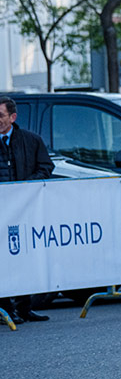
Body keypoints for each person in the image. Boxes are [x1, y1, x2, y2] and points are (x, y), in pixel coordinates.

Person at [0, 97, 54, 324]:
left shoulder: (31, 141)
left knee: (23, 257)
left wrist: (26, 187)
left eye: (0, 116)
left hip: (24, 210)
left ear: (13, 117)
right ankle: (5, 309)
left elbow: (46, 167)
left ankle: (23, 308)